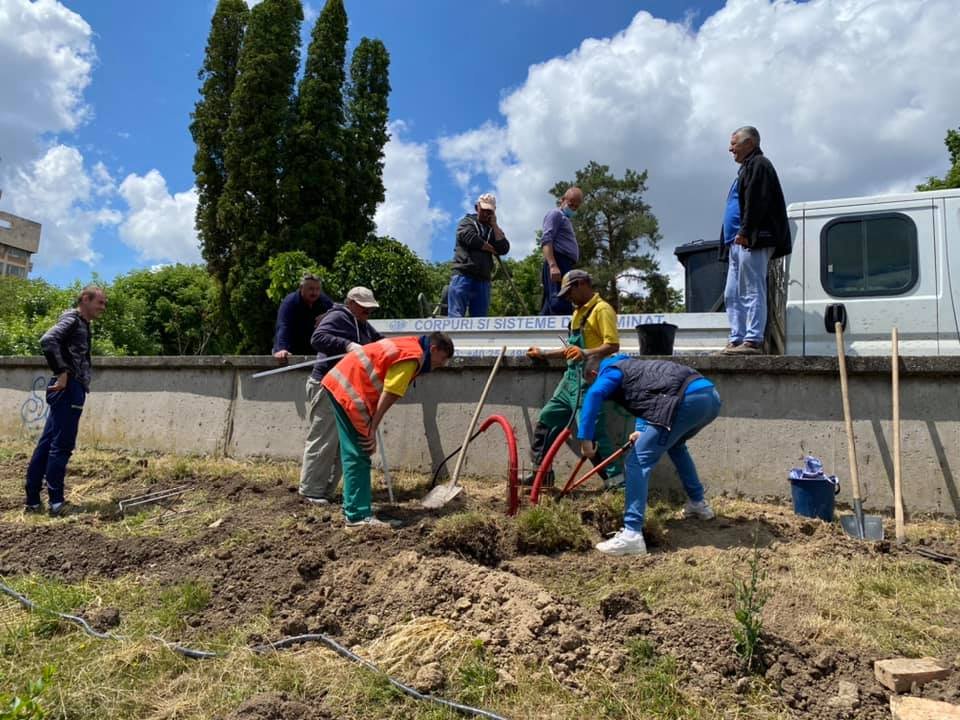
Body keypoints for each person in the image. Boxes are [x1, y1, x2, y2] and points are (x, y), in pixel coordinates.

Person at [578, 354, 721, 556]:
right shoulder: (634, 365)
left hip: (685, 400)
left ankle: (631, 534)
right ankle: (698, 504)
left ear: (595, 373)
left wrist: (585, 438)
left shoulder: (610, 370)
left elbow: (594, 394)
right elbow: (648, 398)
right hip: (709, 397)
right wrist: (642, 430)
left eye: (594, 380)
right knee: (676, 445)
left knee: (636, 462)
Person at [321, 332, 455, 527]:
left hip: (343, 381)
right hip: (351, 389)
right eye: (442, 359)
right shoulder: (413, 357)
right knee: (359, 452)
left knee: (354, 451)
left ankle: (353, 508)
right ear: (433, 349)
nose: (441, 365)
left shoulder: (410, 344)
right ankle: (357, 516)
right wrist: (372, 428)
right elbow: (391, 392)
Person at [525, 269, 622, 487]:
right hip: (570, 379)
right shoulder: (577, 313)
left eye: (569, 292)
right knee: (547, 420)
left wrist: (585, 353)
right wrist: (543, 353)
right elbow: (571, 349)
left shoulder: (602, 309)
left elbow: (613, 345)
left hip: (589, 380)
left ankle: (616, 483)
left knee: (592, 432)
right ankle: (541, 475)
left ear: (581, 284)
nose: (568, 298)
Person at [24, 286, 108, 516]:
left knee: (48, 443)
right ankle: (57, 503)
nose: (103, 308)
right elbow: (48, 340)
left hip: (68, 388)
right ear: (85, 299)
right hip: (68, 388)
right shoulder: (73, 320)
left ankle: (32, 500)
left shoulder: (80, 323)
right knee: (61, 446)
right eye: (100, 302)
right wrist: (62, 372)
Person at [300, 287, 384, 505]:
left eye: (370, 310)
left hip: (346, 389)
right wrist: (346, 345)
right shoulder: (338, 316)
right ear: (352, 303)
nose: (368, 313)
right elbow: (318, 338)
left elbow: (378, 343)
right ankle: (311, 490)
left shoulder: (363, 324)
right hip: (326, 384)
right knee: (324, 438)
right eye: (365, 309)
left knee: (340, 442)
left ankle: (324, 491)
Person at [719, 126, 790, 354]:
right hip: (736, 242)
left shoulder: (759, 165)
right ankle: (737, 337)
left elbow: (757, 201)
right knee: (732, 292)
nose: (730, 149)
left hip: (752, 239)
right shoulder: (745, 169)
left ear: (749, 144)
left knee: (751, 288)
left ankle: (752, 339)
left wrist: (747, 232)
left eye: (734, 143)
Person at [448, 193, 510, 317]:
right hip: (463, 274)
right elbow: (469, 237)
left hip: (483, 279)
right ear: (477, 207)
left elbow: (503, 248)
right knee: (456, 315)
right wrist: (490, 248)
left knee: (480, 319)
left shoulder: (493, 230)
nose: (486, 213)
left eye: (489, 211)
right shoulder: (466, 221)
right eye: (484, 209)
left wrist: (495, 225)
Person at [540, 187, 583, 316]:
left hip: (565, 263)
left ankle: (541, 330)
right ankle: (563, 329)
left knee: (552, 302)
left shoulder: (565, 218)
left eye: (576, 207)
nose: (573, 208)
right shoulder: (555, 214)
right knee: (559, 300)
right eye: (571, 204)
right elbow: (546, 240)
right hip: (558, 261)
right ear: (562, 200)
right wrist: (553, 265)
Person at [272, 273, 333, 362]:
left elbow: (338, 311)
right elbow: (283, 326)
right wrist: (281, 349)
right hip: (292, 349)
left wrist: (327, 315)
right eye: (311, 289)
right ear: (301, 288)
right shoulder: (290, 302)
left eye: (317, 289)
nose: (314, 293)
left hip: (315, 350)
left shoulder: (323, 300)